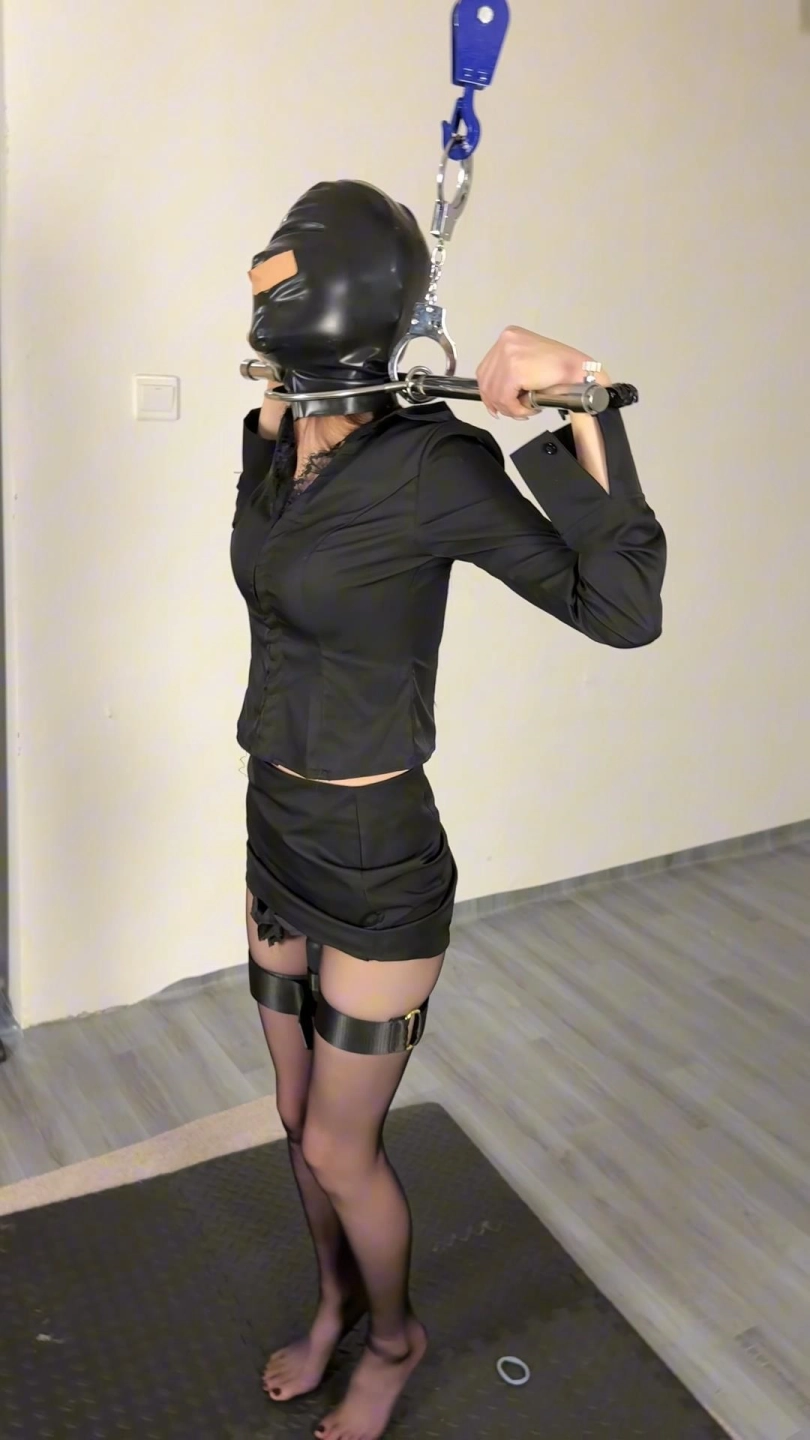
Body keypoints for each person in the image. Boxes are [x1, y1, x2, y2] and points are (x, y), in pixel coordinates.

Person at [231, 179, 666, 1440]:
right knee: (292, 1118)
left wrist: (583, 397)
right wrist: (287, 405)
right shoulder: (275, 438)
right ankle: (333, 1306)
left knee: (339, 1147)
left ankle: (395, 1338)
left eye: (285, 273)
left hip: (377, 858)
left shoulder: (433, 464)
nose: (264, 286)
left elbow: (621, 610)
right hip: (273, 825)